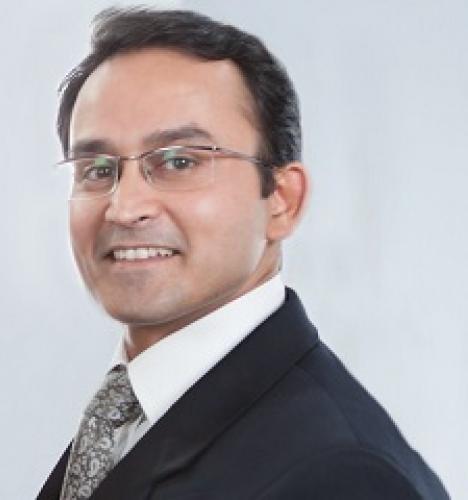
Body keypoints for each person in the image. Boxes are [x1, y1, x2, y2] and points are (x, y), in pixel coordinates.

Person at [37, 7, 449, 500]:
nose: (124, 208)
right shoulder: (128, 409)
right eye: (98, 169)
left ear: (282, 199)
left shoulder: (340, 475)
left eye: (179, 161)